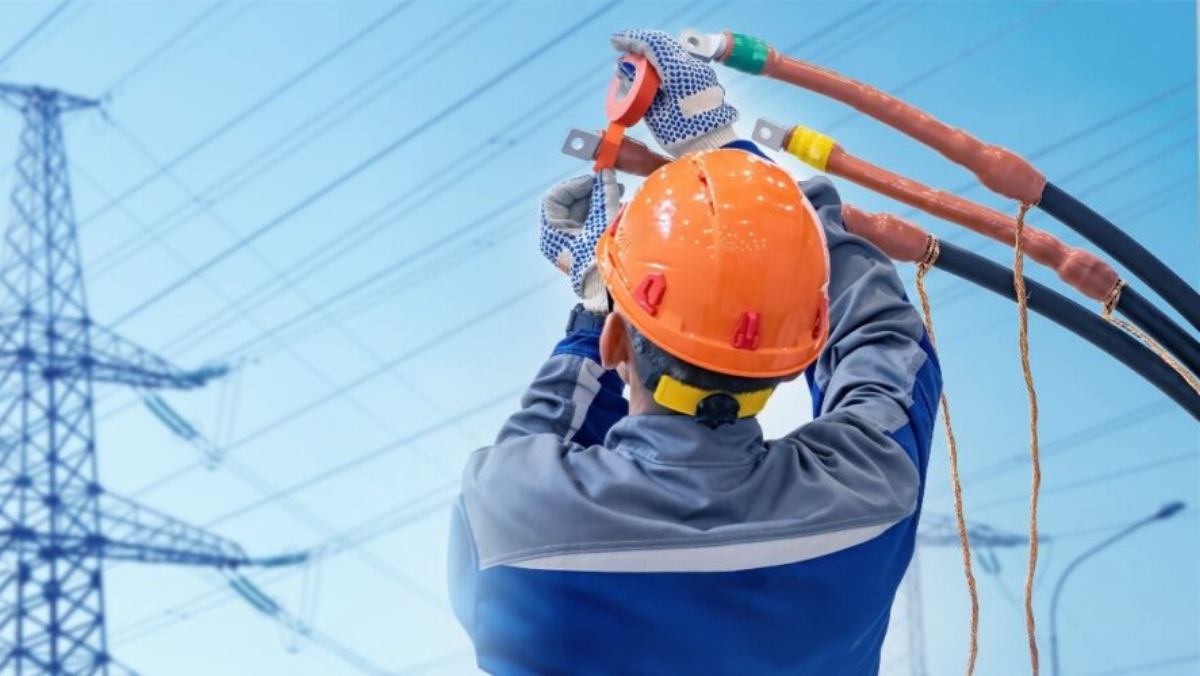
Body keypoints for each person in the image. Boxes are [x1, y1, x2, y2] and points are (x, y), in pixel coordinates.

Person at [448, 29, 941, 675]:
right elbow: (885, 344)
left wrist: (596, 299)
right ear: (800, 353)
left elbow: (545, 437)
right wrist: (722, 152)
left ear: (617, 340)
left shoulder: (509, 522)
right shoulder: (867, 494)